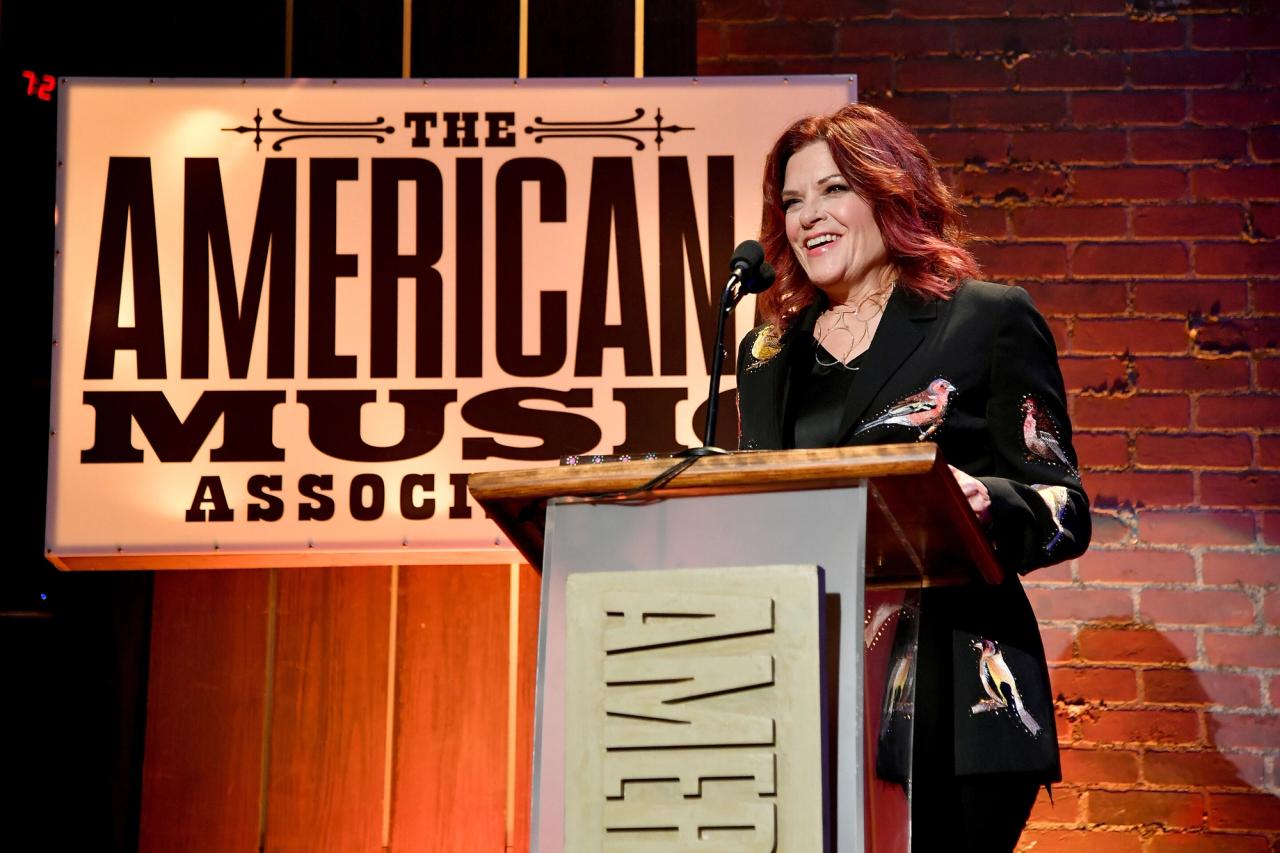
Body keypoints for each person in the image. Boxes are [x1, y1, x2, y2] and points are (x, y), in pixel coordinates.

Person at [736, 103, 1090, 851]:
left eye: (834, 190)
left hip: (953, 690)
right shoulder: (768, 355)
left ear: (889, 194)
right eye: (793, 201)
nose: (809, 217)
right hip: (809, 685)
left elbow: (1065, 506)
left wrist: (983, 501)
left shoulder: (985, 319)